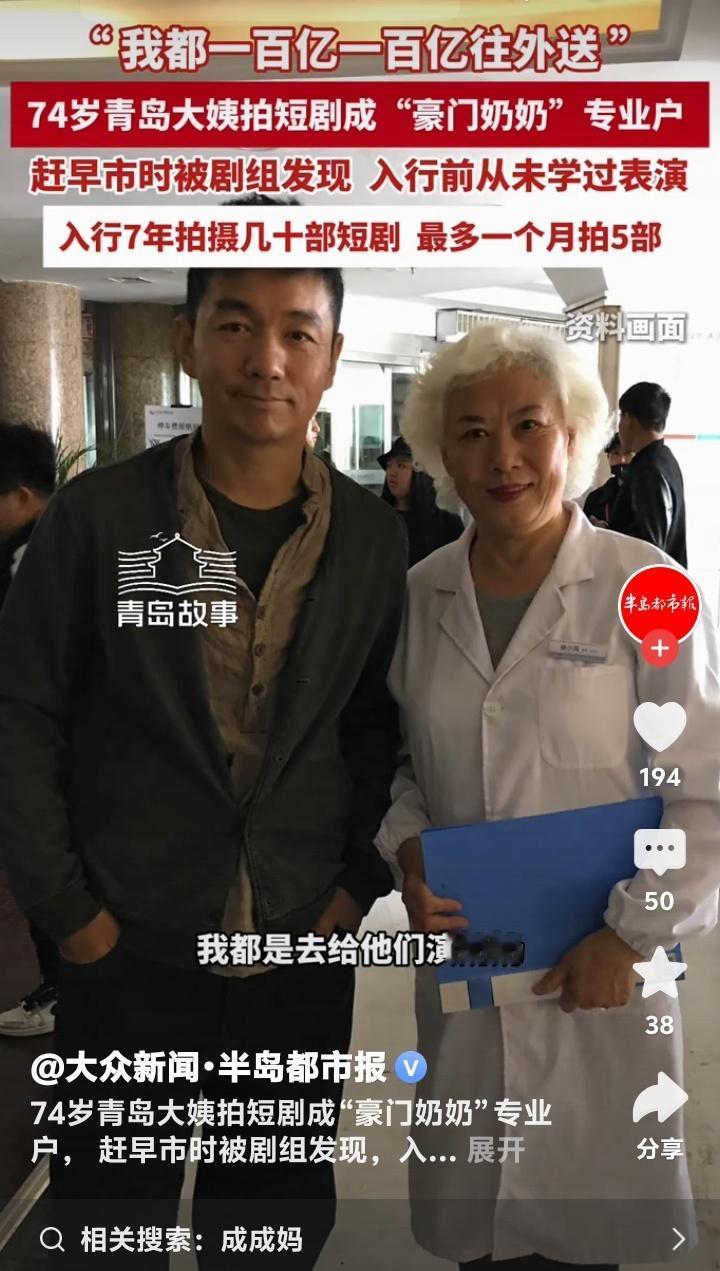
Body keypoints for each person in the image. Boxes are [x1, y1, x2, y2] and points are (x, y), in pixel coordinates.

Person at [0, 243, 407, 1268]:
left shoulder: (372, 539)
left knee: (270, 1219)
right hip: (126, 938)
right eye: (235, 325)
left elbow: (375, 725)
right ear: (186, 341)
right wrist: (70, 914)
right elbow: (23, 713)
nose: (265, 358)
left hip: (298, 940)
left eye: (297, 332)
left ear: (331, 358)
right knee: (110, 1215)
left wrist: (352, 883)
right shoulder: (100, 519)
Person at [375, 322, 720, 1269]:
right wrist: (409, 847)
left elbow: (704, 792)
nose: (504, 458)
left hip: (602, 971)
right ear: (443, 454)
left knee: (582, 1225)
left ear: (573, 433)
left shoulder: (647, 586)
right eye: (472, 432)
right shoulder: (420, 594)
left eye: (528, 424)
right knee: (480, 1233)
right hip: (470, 965)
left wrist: (634, 934)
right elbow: (401, 765)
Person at [0, 421, 60, 1038]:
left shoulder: (39, 554)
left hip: (52, 757)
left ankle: (60, 992)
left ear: (21, 495)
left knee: (44, 870)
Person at [608, 381, 687, 565]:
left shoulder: (648, 471)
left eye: (621, 416)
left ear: (629, 419)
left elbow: (649, 548)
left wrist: (608, 540)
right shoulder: (666, 460)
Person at [379, 435, 464, 567]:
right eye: (389, 465)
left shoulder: (446, 521)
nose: (392, 472)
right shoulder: (380, 519)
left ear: (420, 472)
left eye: (401, 465)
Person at [582, 430, 633, 526]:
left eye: (628, 453)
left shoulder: (649, 495)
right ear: (608, 458)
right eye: (616, 453)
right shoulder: (595, 498)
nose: (622, 460)